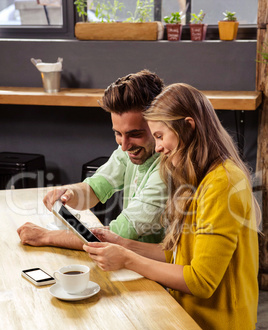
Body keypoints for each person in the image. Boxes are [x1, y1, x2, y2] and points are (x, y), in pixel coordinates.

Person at [83, 83, 261, 330]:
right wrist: (123, 243)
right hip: (191, 319)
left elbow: (200, 281)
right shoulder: (196, 175)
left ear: (188, 127)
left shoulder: (223, 182)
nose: (159, 147)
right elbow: (179, 255)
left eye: (160, 135)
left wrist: (128, 259)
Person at [17, 70, 167, 249]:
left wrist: (47, 237)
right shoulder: (128, 150)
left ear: (160, 124)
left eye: (135, 134)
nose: (124, 146)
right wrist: (69, 192)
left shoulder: (168, 169)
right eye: (118, 133)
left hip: (155, 272)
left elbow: (117, 235)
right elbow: (95, 189)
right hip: (126, 261)